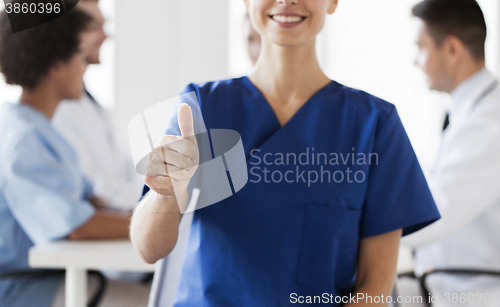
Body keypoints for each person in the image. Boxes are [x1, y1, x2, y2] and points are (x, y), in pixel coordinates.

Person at [131, 0, 441, 306]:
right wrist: (166, 194)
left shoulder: (374, 125)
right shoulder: (201, 108)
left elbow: (375, 284)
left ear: (332, 2)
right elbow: (148, 249)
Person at [0, 7, 130, 307]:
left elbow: (90, 199)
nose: (85, 69)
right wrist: (154, 223)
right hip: (24, 290)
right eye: (80, 57)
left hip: (53, 277)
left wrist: (152, 210)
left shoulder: (41, 129)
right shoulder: (25, 139)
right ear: (56, 64)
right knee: (154, 300)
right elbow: (76, 226)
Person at [401, 0, 500, 305]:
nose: (416, 61)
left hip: (475, 294)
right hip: (447, 287)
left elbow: (433, 211)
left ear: (452, 50)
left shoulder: (490, 122)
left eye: (421, 47)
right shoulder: (467, 113)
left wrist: (349, 221)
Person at [52, 0, 144, 212]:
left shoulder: (89, 102)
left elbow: (126, 171)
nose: (106, 36)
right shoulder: (56, 111)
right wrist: (160, 199)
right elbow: (96, 191)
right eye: (94, 27)